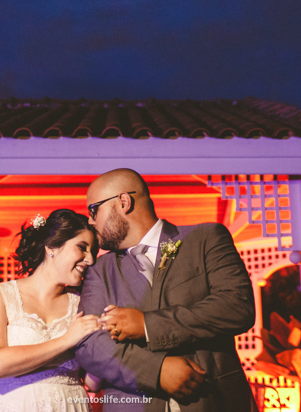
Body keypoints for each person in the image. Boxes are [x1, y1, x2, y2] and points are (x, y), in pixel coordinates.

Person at [75, 169, 256, 411]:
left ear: (123, 202)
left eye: (94, 210)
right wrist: (158, 371)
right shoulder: (100, 270)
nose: (90, 221)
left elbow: (236, 306)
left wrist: (148, 326)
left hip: (214, 400)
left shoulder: (206, 239)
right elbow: (92, 345)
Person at [0, 209, 102, 412]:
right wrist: (66, 340)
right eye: (82, 248)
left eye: (93, 252)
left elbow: (93, 383)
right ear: (52, 246)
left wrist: (108, 338)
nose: (90, 260)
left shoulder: (83, 304)